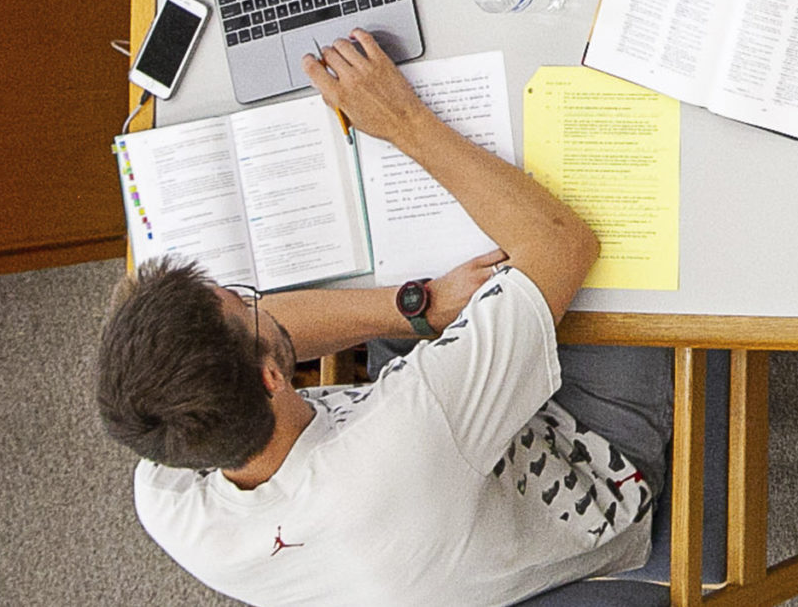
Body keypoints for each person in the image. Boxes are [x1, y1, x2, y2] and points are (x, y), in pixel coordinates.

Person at [97, 31, 669, 607]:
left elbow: (266, 341)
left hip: (439, 487)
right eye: (245, 304)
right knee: (620, 178)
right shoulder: (404, 434)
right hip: (588, 465)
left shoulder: (167, 488)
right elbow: (563, 246)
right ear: (272, 379)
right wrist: (401, 121)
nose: (257, 302)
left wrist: (415, 306)